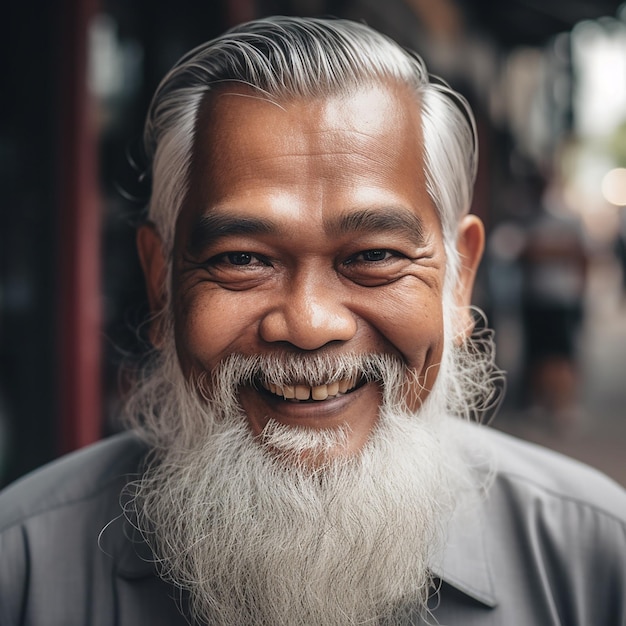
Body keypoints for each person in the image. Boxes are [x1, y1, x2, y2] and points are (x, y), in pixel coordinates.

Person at [1, 16, 624, 626]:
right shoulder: (22, 568)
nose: (308, 324)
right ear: (162, 283)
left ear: (458, 280)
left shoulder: (593, 561)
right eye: (241, 259)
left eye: (374, 257)